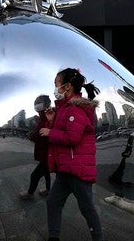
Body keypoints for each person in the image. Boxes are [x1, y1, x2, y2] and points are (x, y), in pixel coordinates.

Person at [39, 68, 103, 241]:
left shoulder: (76, 109)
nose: (55, 89)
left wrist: (49, 132)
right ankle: (54, 237)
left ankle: (98, 238)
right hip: (66, 170)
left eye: (56, 85)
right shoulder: (65, 108)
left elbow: (72, 138)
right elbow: (64, 131)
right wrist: (52, 121)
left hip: (78, 170)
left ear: (67, 87)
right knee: (53, 202)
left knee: (87, 208)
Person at [20, 94, 52, 200]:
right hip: (44, 153)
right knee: (46, 173)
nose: (36, 104)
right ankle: (48, 189)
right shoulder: (42, 117)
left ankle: (30, 193)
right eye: (35, 103)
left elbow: (47, 135)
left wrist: (34, 135)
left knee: (34, 175)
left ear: (46, 104)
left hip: (47, 154)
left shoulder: (48, 117)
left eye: (38, 102)